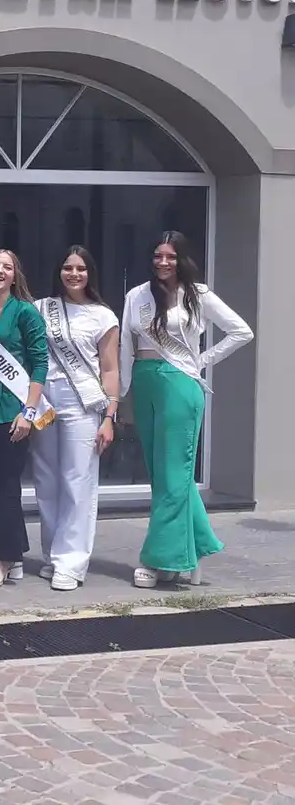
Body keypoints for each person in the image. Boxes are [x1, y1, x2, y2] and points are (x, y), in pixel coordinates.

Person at [119, 231, 252, 589]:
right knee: (163, 475)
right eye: (158, 256)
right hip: (144, 380)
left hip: (180, 385)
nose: (163, 262)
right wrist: (121, 395)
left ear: (183, 259)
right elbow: (125, 346)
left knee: (173, 474)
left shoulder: (199, 295)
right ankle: (197, 547)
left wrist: (201, 361)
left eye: (171, 256)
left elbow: (242, 332)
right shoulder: (137, 295)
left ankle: (159, 559)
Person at [30, 246, 120, 592]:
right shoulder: (41, 308)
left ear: (90, 273)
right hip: (43, 400)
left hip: (83, 403)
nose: (74, 274)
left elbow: (110, 369)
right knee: (46, 480)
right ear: (58, 271)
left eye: (81, 268)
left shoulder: (103, 316)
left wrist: (110, 416)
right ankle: (54, 554)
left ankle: (72, 562)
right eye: (68, 267)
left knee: (77, 480)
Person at [0, 249, 49, 589]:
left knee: (5, 484)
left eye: (7, 267)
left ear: (15, 276)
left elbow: (40, 363)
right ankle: (13, 551)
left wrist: (29, 412)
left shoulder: (25, 312)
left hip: (13, 403)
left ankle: (1, 558)